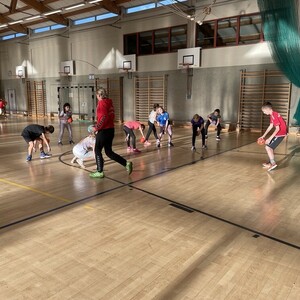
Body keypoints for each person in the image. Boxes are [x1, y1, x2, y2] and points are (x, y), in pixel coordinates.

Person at [89, 88, 132, 178]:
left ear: (100, 95)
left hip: (104, 130)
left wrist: (97, 128)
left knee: (97, 150)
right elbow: (109, 116)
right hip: (110, 130)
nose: (97, 97)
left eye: (97, 95)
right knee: (108, 152)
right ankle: (126, 163)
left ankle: (99, 171)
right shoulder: (109, 103)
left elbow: (104, 117)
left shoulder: (101, 103)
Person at [259, 102, 287, 171]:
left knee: (268, 147)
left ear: (268, 109)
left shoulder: (274, 115)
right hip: (280, 133)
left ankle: (273, 163)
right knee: (269, 147)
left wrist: (270, 138)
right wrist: (263, 136)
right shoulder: (273, 115)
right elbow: (270, 126)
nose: (264, 113)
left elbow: (277, 129)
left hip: (280, 134)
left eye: (264, 111)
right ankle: (269, 163)